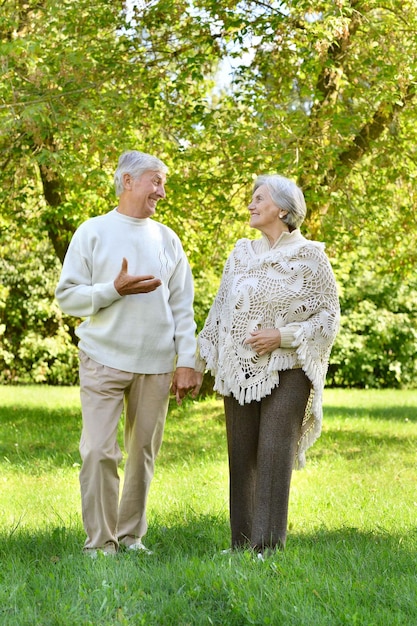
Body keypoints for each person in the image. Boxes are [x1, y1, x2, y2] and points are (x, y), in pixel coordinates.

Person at [56, 150, 202, 556]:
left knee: (142, 454)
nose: (162, 191)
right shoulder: (93, 231)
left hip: (155, 364)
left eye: (163, 183)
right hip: (102, 358)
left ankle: (131, 537)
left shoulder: (167, 238)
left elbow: (182, 306)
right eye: (156, 181)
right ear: (127, 181)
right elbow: (67, 297)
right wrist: (112, 290)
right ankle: (101, 544)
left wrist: (187, 360)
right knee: (99, 451)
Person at [196, 174, 340, 554]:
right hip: (240, 369)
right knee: (240, 454)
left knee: (274, 453)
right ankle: (241, 544)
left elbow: (328, 318)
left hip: (289, 369)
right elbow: (221, 310)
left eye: (258, 199)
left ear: (281, 208)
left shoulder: (311, 257)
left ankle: (267, 547)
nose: (251, 205)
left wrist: (282, 337)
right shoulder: (241, 254)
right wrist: (200, 360)